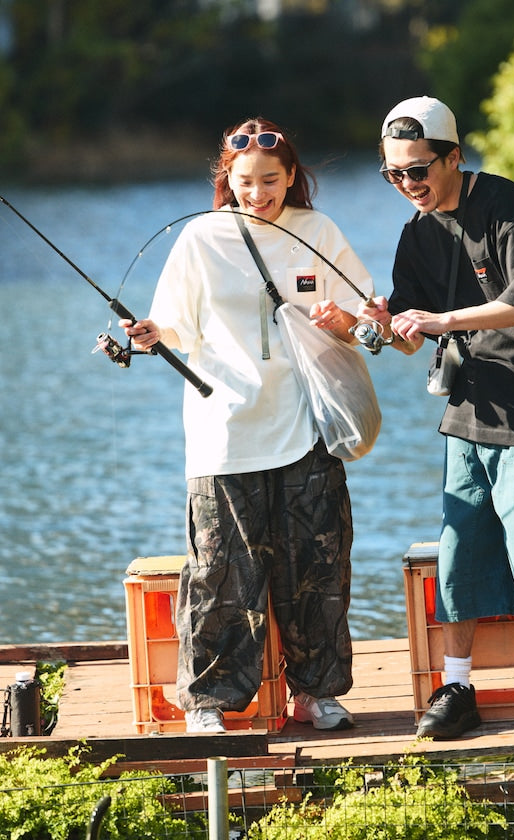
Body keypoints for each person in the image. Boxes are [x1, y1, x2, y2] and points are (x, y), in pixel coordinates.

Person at [358, 96, 514, 739]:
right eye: (393, 174)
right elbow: (413, 334)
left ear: (454, 157)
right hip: (469, 412)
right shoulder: (416, 233)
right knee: (461, 552)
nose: (407, 185)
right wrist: (381, 325)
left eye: (418, 169)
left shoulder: (504, 203)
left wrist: (443, 321)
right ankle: (456, 687)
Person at [121, 117, 374, 733]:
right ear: (226, 180)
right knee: (219, 571)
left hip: (307, 425)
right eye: (244, 182)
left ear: (291, 176)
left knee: (316, 566)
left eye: (270, 179)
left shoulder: (317, 231)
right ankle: (207, 701)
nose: (257, 193)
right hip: (224, 428)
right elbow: (173, 322)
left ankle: (316, 693)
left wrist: (344, 317)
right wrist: (153, 336)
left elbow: (366, 311)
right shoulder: (201, 238)